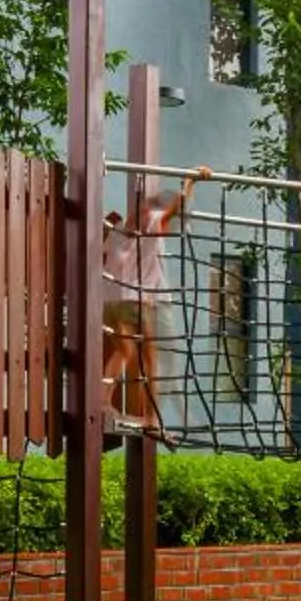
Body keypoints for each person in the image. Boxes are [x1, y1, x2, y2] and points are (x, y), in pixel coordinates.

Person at [102, 167, 211, 430]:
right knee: (150, 363)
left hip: (111, 303)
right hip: (136, 303)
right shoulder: (152, 223)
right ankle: (151, 419)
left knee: (123, 352)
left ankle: (102, 400)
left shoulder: (118, 229)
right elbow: (178, 208)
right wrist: (190, 181)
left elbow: (102, 253)